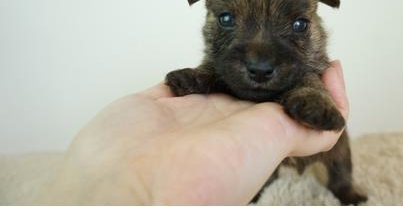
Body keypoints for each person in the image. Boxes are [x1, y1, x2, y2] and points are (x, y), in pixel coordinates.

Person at [37, 60, 350, 205]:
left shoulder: (306, 69)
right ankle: (255, 189)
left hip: (324, 146)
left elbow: (312, 78)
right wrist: (205, 77)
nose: (259, 57)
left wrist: (312, 94)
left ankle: (345, 187)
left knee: (339, 162)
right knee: (260, 175)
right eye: (228, 20)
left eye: (297, 25)